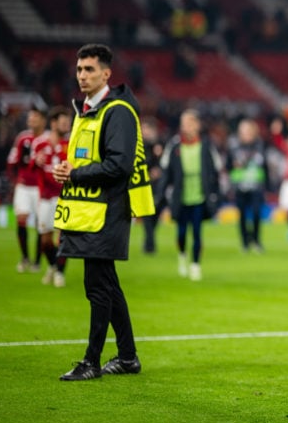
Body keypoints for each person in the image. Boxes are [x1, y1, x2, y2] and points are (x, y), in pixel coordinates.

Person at [53, 43, 156, 381]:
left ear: (106, 73)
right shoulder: (87, 111)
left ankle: (91, 361)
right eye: (80, 69)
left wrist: (76, 174)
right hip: (88, 211)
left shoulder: (118, 111)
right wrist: (68, 169)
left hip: (107, 211)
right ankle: (127, 358)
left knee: (97, 288)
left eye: (90, 70)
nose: (82, 75)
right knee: (107, 287)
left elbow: (119, 165)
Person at [157, 109, 223, 281]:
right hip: (180, 196)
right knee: (181, 232)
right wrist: (161, 194)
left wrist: (216, 194)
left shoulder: (207, 145)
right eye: (184, 123)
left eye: (190, 123)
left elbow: (216, 171)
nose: (187, 127)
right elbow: (166, 172)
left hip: (200, 195)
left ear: (197, 125)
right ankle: (182, 255)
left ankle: (195, 264)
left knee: (197, 232)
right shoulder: (174, 146)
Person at [31, 105, 72, 287]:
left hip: (64, 197)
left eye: (68, 123)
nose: (67, 126)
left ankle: (60, 274)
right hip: (45, 198)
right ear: (54, 123)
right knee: (46, 241)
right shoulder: (40, 143)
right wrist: (35, 161)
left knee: (62, 237)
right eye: (64, 123)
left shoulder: (70, 145)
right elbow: (30, 166)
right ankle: (54, 266)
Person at [7, 107, 46, 272]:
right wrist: (15, 181)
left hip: (40, 187)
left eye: (35, 117)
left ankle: (37, 261)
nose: (31, 121)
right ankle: (25, 258)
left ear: (42, 120)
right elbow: (12, 162)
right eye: (30, 118)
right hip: (24, 186)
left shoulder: (48, 139)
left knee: (40, 225)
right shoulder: (23, 138)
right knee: (21, 220)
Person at [227, 118, 269, 254]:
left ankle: (256, 240)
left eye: (246, 130)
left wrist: (267, 185)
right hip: (240, 186)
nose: (244, 133)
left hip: (256, 186)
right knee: (242, 215)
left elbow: (265, 166)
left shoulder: (260, 146)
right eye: (242, 130)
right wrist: (233, 167)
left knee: (257, 213)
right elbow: (228, 166)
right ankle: (245, 242)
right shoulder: (234, 147)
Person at [139, 117, 164, 255]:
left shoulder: (160, 145)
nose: (145, 132)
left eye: (147, 130)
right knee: (148, 216)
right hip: (145, 185)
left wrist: (159, 170)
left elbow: (167, 164)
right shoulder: (139, 147)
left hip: (158, 186)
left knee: (155, 215)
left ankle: (149, 240)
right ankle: (150, 245)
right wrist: (148, 172)